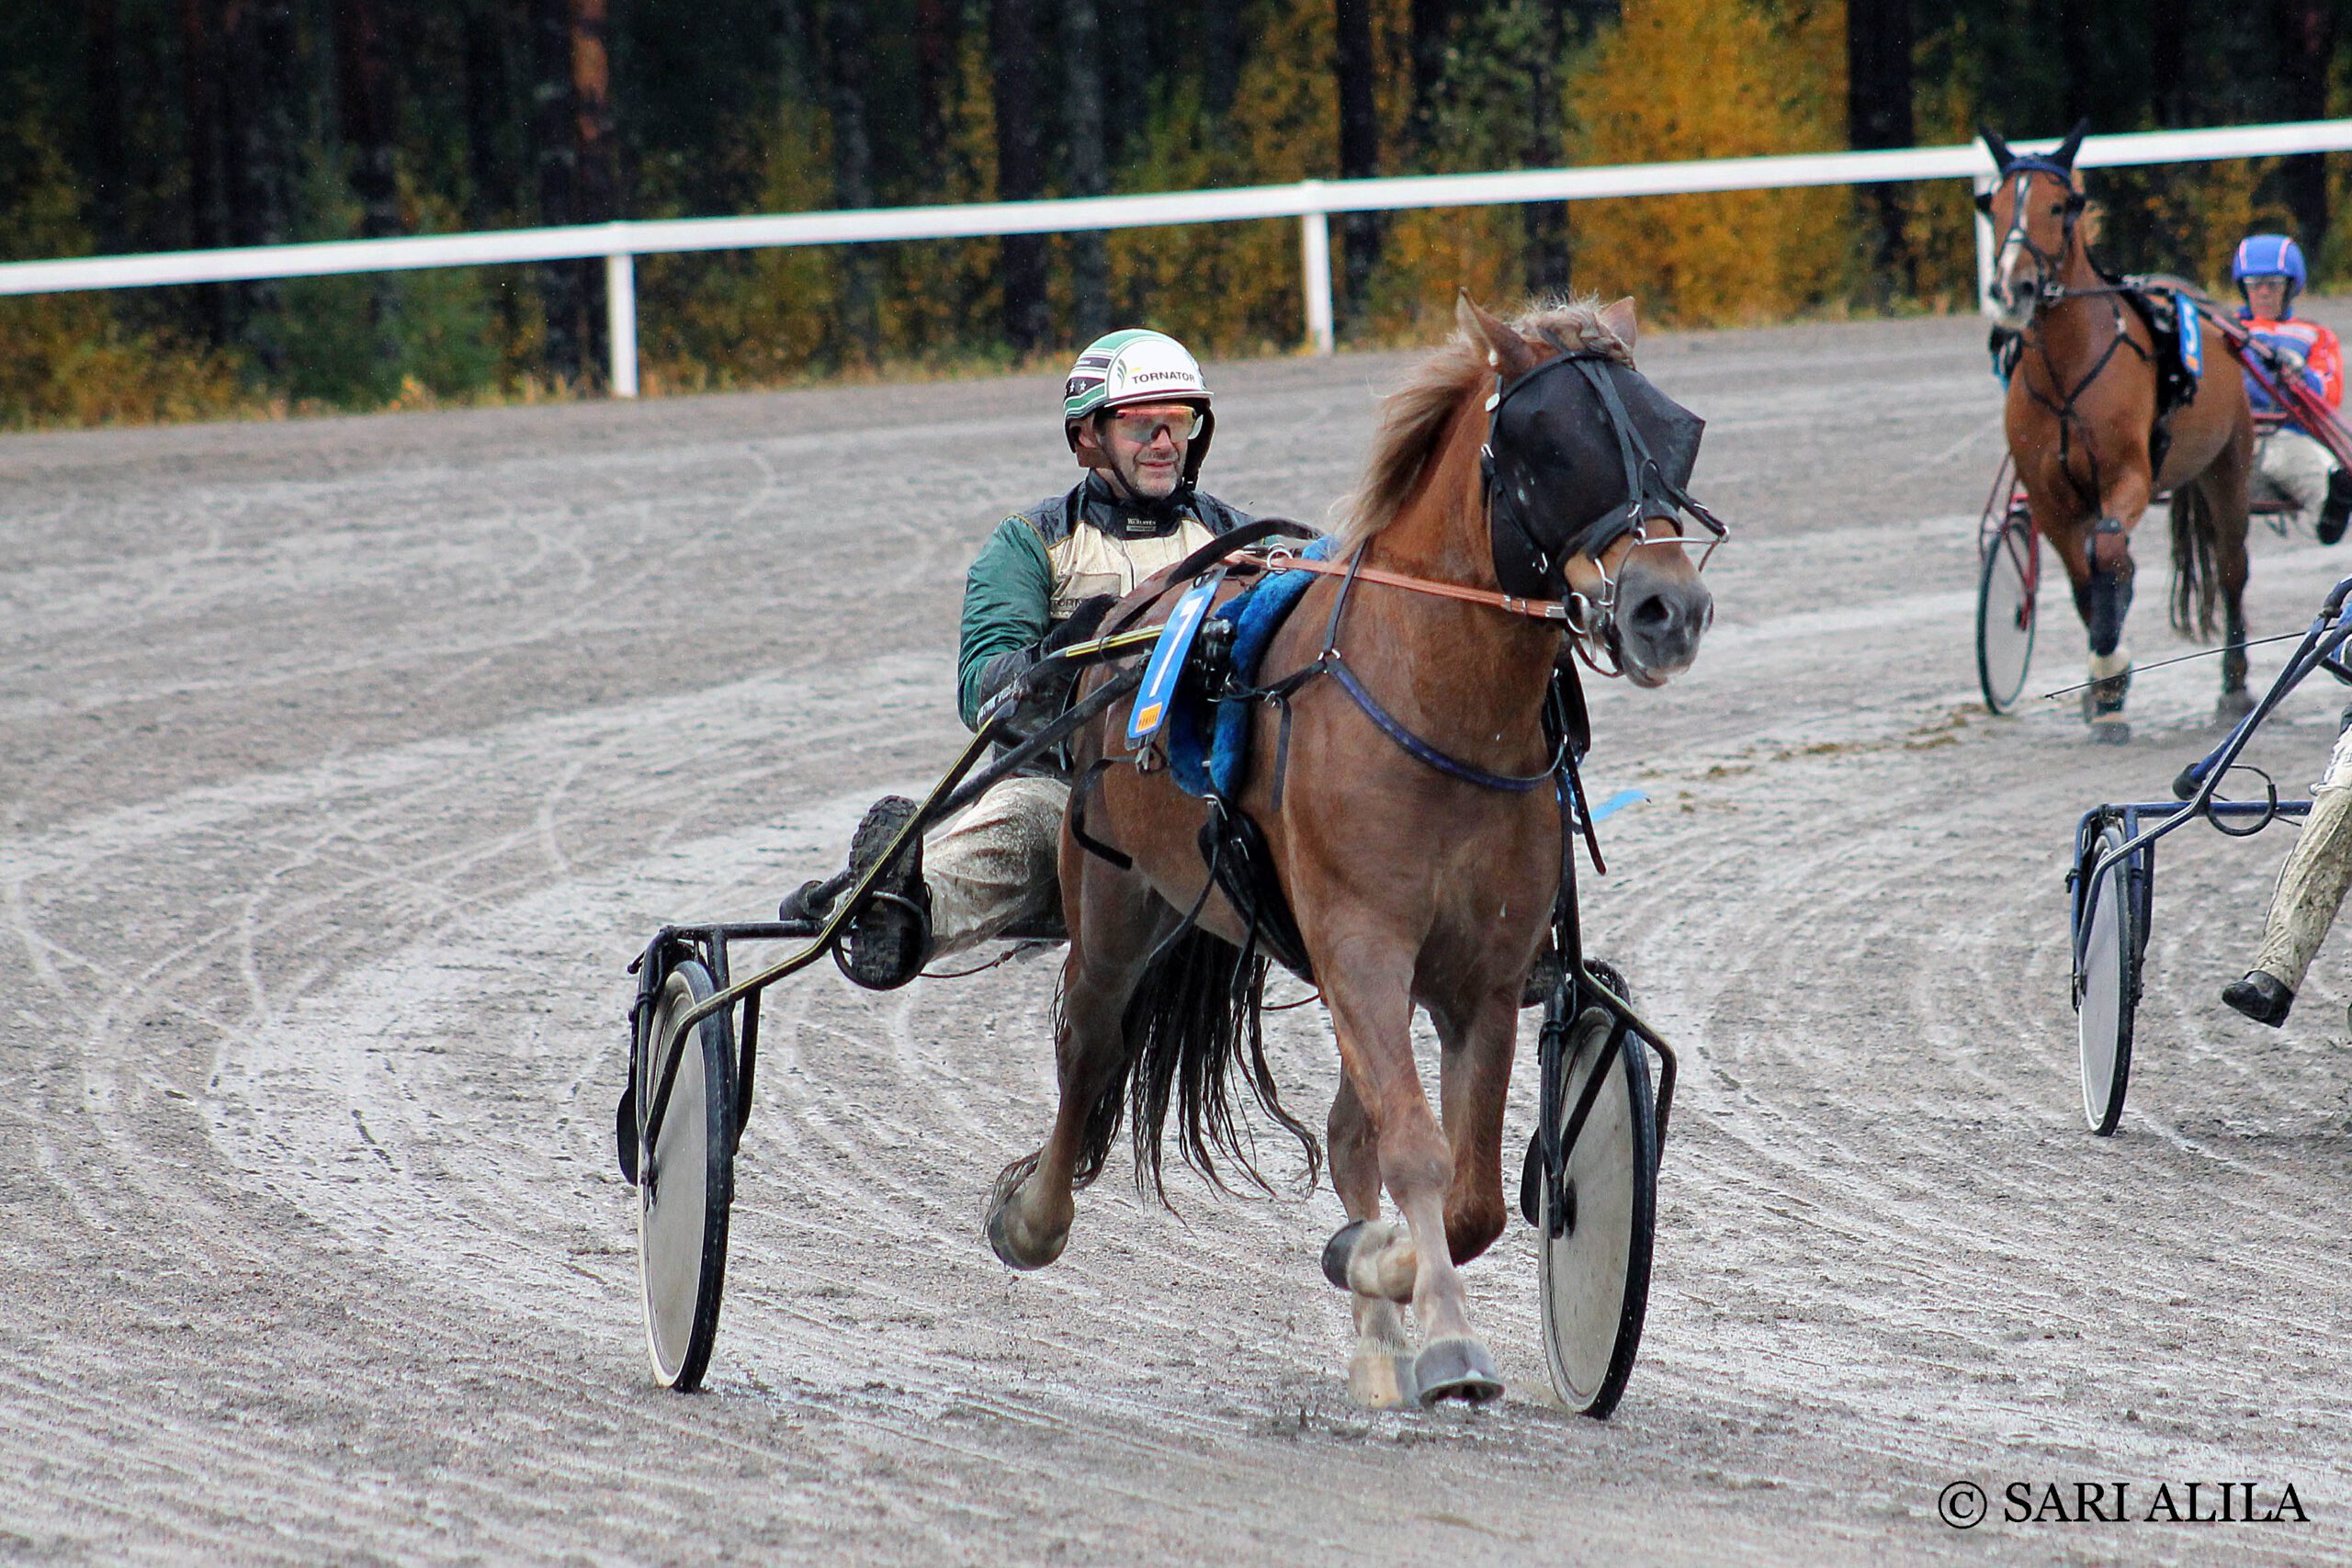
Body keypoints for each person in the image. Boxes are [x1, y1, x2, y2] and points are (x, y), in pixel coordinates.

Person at [783, 329, 1253, 989]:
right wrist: (1060, 654)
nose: (1163, 442)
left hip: (1201, 788)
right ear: (1089, 437)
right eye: (1139, 424)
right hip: (1066, 791)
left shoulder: (1236, 540)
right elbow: (981, 691)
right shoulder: (1030, 544)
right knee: (1011, 832)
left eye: (1177, 421)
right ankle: (906, 910)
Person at [2233, 233, 2352, 544]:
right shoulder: (2226, 330)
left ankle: (2323, 516)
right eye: (2254, 284)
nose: (2264, 292)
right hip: (2233, 441)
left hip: (2288, 441)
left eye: (2273, 284)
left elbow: (2328, 396)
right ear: (2244, 288)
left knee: (2336, 490)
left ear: (2289, 287)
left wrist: (2300, 373)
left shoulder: (2314, 335)